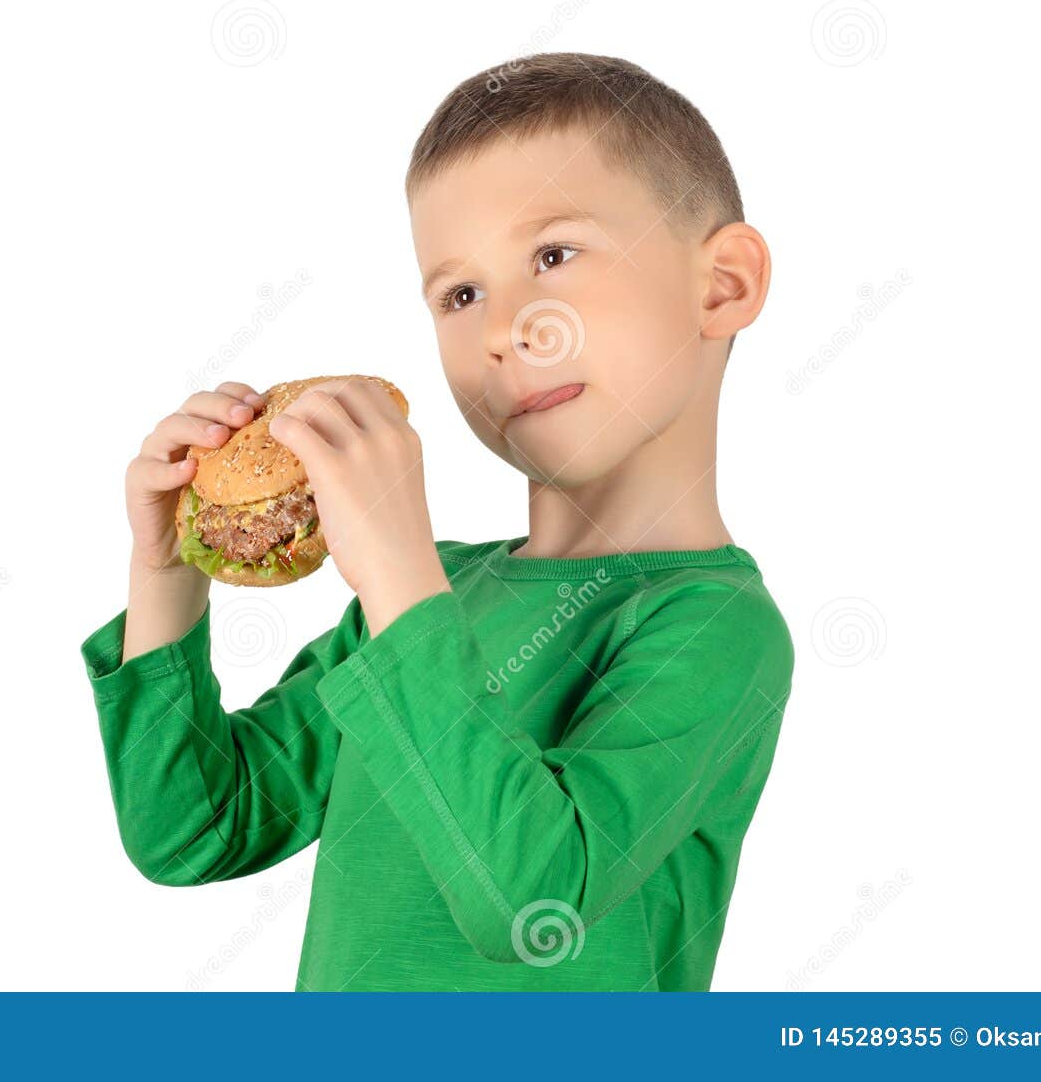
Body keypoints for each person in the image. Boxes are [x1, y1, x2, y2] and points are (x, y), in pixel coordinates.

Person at [82, 52, 795, 990]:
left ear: (722, 286)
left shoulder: (713, 625)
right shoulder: (425, 594)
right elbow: (194, 830)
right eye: (460, 295)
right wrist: (168, 576)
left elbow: (531, 902)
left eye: (554, 255)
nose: (503, 328)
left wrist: (395, 579)